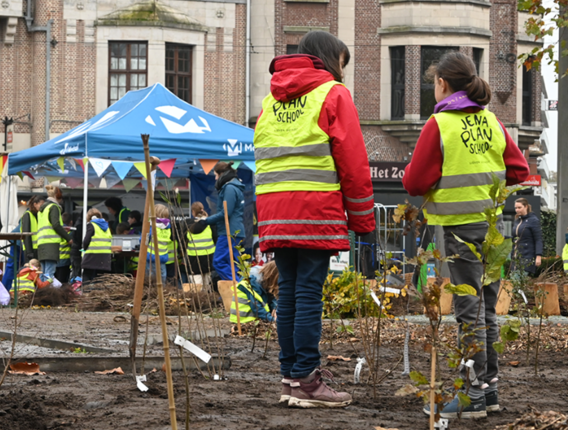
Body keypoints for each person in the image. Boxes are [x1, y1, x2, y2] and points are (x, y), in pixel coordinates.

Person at [402, 52, 529, 418]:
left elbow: (414, 182)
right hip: (493, 228)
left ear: (442, 84)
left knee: (468, 310)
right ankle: (489, 390)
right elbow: (518, 170)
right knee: (487, 309)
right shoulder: (491, 121)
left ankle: (472, 393)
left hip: (458, 228)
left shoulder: (439, 124)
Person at [253, 31, 375, 409]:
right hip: (315, 210)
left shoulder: (270, 102)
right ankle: (307, 379)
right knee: (307, 293)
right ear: (329, 59)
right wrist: (362, 220)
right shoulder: (333, 95)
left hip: (276, 211)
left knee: (287, 292)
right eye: (343, 62)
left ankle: (291, 378)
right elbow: (353, 163)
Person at [194, 162, 245, 281]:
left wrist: (205, 220)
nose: (216, 179)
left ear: (223, 174)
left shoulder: (229, 188)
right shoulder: (235, 187)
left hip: (229, 232)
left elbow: (225, 213)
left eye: (216, 175)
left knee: (219, 262)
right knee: (233, 264)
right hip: (234, 231)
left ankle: (238, 289)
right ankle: (235, 294)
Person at [37, 185, 72, 284]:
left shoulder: (42, 210)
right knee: (49, 273)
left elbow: (49, 225)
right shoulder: (54, 207)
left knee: (43, 273)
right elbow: (55, 225)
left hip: (41, 243)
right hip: (51, 244)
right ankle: (48, 295)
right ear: (57, 196)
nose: (61, 201)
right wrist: (68, 238)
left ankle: (41, 294)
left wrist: (61, 228)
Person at [186, 202, 217, 290]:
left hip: (193, 258)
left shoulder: (187, 224)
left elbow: (184, 241)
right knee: (207, 283)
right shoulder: (210, 224)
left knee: (196, 285)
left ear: (193, 212)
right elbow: (216, 239)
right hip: (208, 256)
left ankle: (197, 301)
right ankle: (207, 301)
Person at [511, 197, 543, 276]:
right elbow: (515, 238)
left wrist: (538, 256)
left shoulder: (533, 220)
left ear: (526, 207)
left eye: (519, 207)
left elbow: (538, 239)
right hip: (516, 257)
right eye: (516, 208)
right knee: (516, 283)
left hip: (527, 256)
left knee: (518, 281)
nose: (517, 210)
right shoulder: (517, 221)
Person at [82, 208, 112, 282]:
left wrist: (84, 248)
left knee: (87, 277)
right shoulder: (107, 227)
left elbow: (86, 241)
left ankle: (87, 293)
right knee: (100, 279)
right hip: (105, 257)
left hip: (92, 255)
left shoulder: (91, 225)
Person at [146, 204, 171, 284]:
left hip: (151, 255)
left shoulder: (152, 226)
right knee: (162, 275)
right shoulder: (167, 226)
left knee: (151, 276)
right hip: (163, 255)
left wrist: (143, 244)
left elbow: (145, 239)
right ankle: (162, 291)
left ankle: (153, 292)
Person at [21, 195, 44, 263]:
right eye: (41, 204)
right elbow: (26, 234)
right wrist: (29, 252)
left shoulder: (40, 215)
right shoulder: (27, 215)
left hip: (39, 249)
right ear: (35, 204)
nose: (43, 207)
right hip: (31, 250)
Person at [56, 212, 74, 284]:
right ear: (71, 222)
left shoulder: (56, 230)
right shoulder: (70, 232)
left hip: (55, 260)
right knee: (63, 282)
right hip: (65, 261)